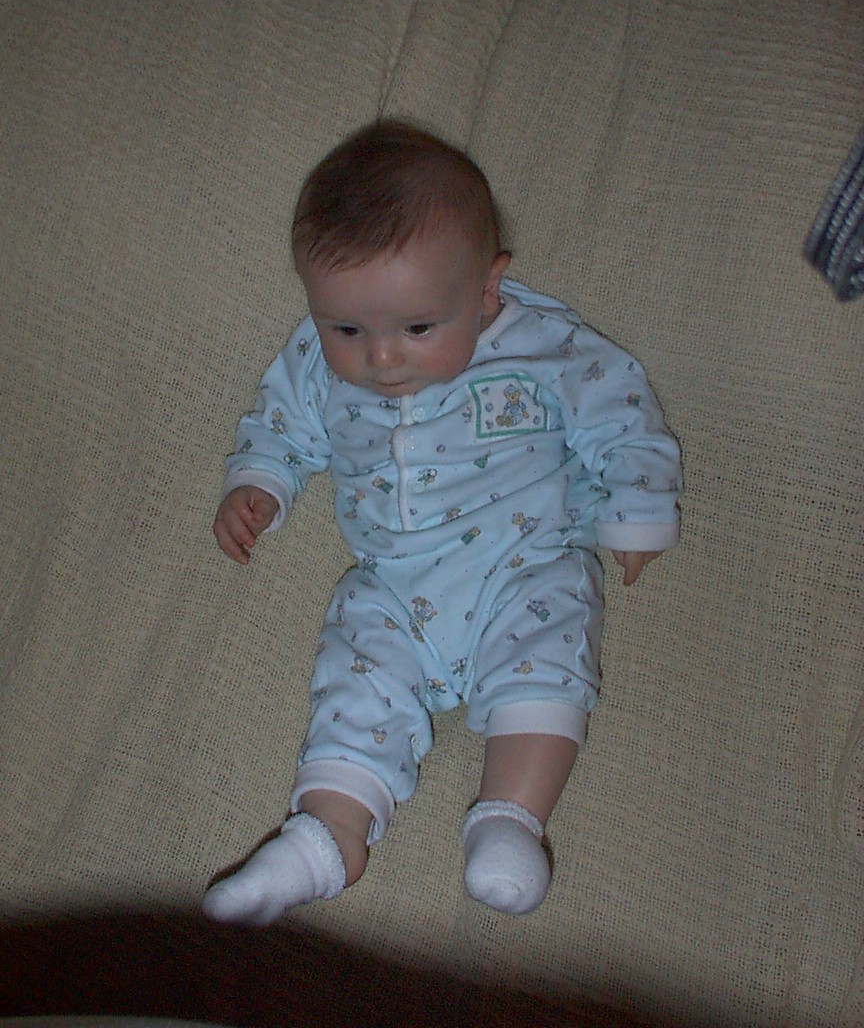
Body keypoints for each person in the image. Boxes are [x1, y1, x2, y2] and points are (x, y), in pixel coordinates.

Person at [203, 119, 681, 924]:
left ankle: (510, 820)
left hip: (522, 565)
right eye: (346, 328)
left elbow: (620, 411)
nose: (381, 358)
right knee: (356, 665)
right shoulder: (314, 360)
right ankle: (327, 835)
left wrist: (637, 505)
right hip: (394, 586)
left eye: (417, 328)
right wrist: (259, 482)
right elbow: (280, 422)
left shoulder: (544, 346)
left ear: (487, 289)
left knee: (549, 653)